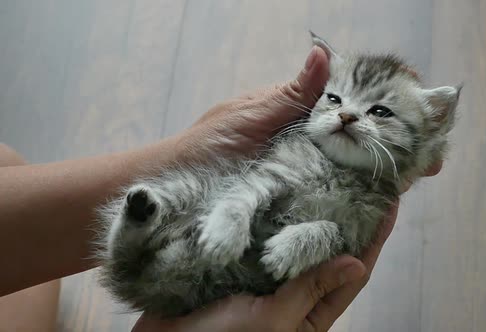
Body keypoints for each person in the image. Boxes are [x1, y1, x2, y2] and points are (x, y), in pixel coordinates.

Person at [0, 46, 442, 331]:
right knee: (195, 192)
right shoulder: (300, 149)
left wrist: (314, 235)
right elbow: (254, 184)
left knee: (10, 164)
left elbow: (339, 241)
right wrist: (232, 210)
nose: (348, 116)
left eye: (380, 111)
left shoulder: (372, 198)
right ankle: (136, 234)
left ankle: (134, 236)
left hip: (209, 276)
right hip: (213, 245)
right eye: (334, 99)